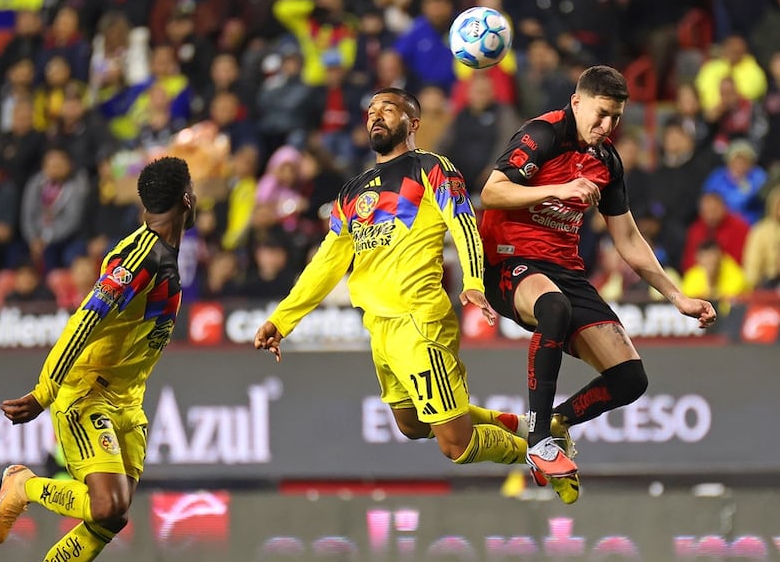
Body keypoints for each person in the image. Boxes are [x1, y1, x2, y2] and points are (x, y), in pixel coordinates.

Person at [253, 88, 528, 481]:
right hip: (379, 326)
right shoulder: (352, 191)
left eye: (389, 109)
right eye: (371, 111)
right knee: (413, 424)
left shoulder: (432, 167)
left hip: (418, 321)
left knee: (457, 445)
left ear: (413, 124)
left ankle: (540, 455)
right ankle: (528, 427)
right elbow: (327, 263)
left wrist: (473, 280)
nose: (376, 116)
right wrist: (281, 320)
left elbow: (464, 222)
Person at [478, 65, 718, 503]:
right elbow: (492, 192)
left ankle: (556, 424)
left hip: (565, 271)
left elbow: (627, 238)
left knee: (630, 379)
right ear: (576, 101)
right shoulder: (543, 134)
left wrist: (676, 295)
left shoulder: (607, 160)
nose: (606, 126)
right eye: (601, 113)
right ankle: (537, 442)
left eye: (616, 118)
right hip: (509, 262)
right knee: (554, 309)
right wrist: (558, 191)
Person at [0, 156, 197, 562]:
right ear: (186, 198)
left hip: (127, 402)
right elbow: (85, 320)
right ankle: (24, 486)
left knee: (110, 518)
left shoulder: (162, 253)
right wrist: (45, 392)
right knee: (104, 508)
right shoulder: (138, 258)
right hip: (87, 394)